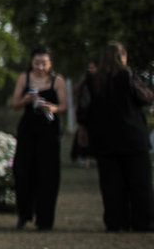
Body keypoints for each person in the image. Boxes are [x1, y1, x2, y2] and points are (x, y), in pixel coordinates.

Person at [81, 42, 153, 231]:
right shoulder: (128, 76)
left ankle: (115, 221)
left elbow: (84, 109)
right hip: (132, 136)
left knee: (111, 184)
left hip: (105, 139)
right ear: (123, 56)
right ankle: (142, 221)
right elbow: (145, 98)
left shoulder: (93, 81)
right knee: (139, 182)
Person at [9, 45, 67, 230]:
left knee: (47, 174)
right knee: (23, 171)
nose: (40, 67)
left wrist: (53, 108)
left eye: (44, 63)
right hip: (28, 130)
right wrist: (26, 100)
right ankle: (24, 213)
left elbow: (64, 106)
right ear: (31, 62)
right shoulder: (24, 78)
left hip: (49, 131)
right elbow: (15, 104)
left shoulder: (57, 80)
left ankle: (45, 218)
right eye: (36, 63)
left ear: (50, 64)